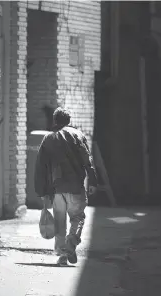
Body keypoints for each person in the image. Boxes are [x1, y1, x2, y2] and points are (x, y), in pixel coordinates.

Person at [35, 107, 98, 266]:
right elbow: (87, 160)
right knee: (78, 218)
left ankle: (62, 255)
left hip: (57, 189)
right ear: (69, 121)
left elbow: (41, 166)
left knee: (60, 221)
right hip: (76, 186)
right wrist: (93, 180)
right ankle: (71, 244)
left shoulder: (48, 139)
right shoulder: (78, 135)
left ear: (55, 121)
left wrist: (41, 190)